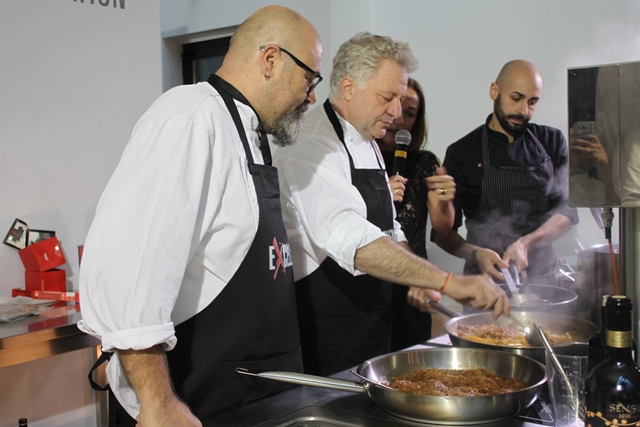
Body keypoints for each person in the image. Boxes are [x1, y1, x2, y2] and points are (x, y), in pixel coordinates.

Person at [77, 6, 323, 426]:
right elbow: (129, 271)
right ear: (270, 60)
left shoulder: (252, 136)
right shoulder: (189, 117)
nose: (312, 95)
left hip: (260, 396)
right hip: (199, 402)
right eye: (309, 78)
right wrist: (158, 403)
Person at [271, 32, 509, 376]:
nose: (397, 113)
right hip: (328, 334)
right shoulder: (310, 146)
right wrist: (448, 282)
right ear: (349, 87)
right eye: (388, 97)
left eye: (400, 99)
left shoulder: (367, 140)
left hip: (373, 323)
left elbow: (388, 227)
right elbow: (356, 241)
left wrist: (419, 279)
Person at [433, 59, 579, 289]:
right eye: (516, 98)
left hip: (543, 283)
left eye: (532, 102)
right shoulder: (462, 152)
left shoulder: (551, 142)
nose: (523, 111)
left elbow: (567, 211)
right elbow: (442, 235)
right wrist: (475, 253)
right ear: (495, 91)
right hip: (483, 287)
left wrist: (526, 243)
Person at [374, 78, 456, 350]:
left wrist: (445, 200)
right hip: (370, 282)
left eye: (410, 114)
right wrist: (379, 196)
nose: (399, 118)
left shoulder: (424, 162)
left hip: (414, 286)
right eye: (395, 106)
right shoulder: (360, 158)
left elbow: (442, 228)